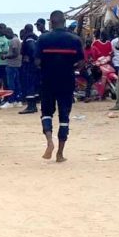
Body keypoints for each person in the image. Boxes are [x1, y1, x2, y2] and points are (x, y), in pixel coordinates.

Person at [36, 10, 84, 163]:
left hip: (47, 81)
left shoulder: (43, 39)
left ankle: (49, 141)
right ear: (64, 21)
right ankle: (60, 154)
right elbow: (81, 62)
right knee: (64, 117)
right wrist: (70, 65)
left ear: (51, 22)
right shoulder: (74, 39)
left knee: (46, 113)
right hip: (67, 81)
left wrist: (46, 65)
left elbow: (36, 62)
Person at [19, 24, 40, 114]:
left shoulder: (29, 39)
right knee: (34, 85)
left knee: (29, 84)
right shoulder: (36, 38)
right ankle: (33, 105)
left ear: (26, 30)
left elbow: (32, 49)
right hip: (35, 65)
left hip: (30, 65)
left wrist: (30, 57)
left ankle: (31, 106)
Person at [1, 27, 23, 108]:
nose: (6, 37)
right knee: (17, 83)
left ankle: (11, 101)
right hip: (16, 64)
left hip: (12, 65)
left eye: (6, 35)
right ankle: (18, 100)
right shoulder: (16, 40)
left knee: (11, 84)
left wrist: (5, 56)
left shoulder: (13, 41)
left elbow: (15, 54)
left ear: (9, 33)